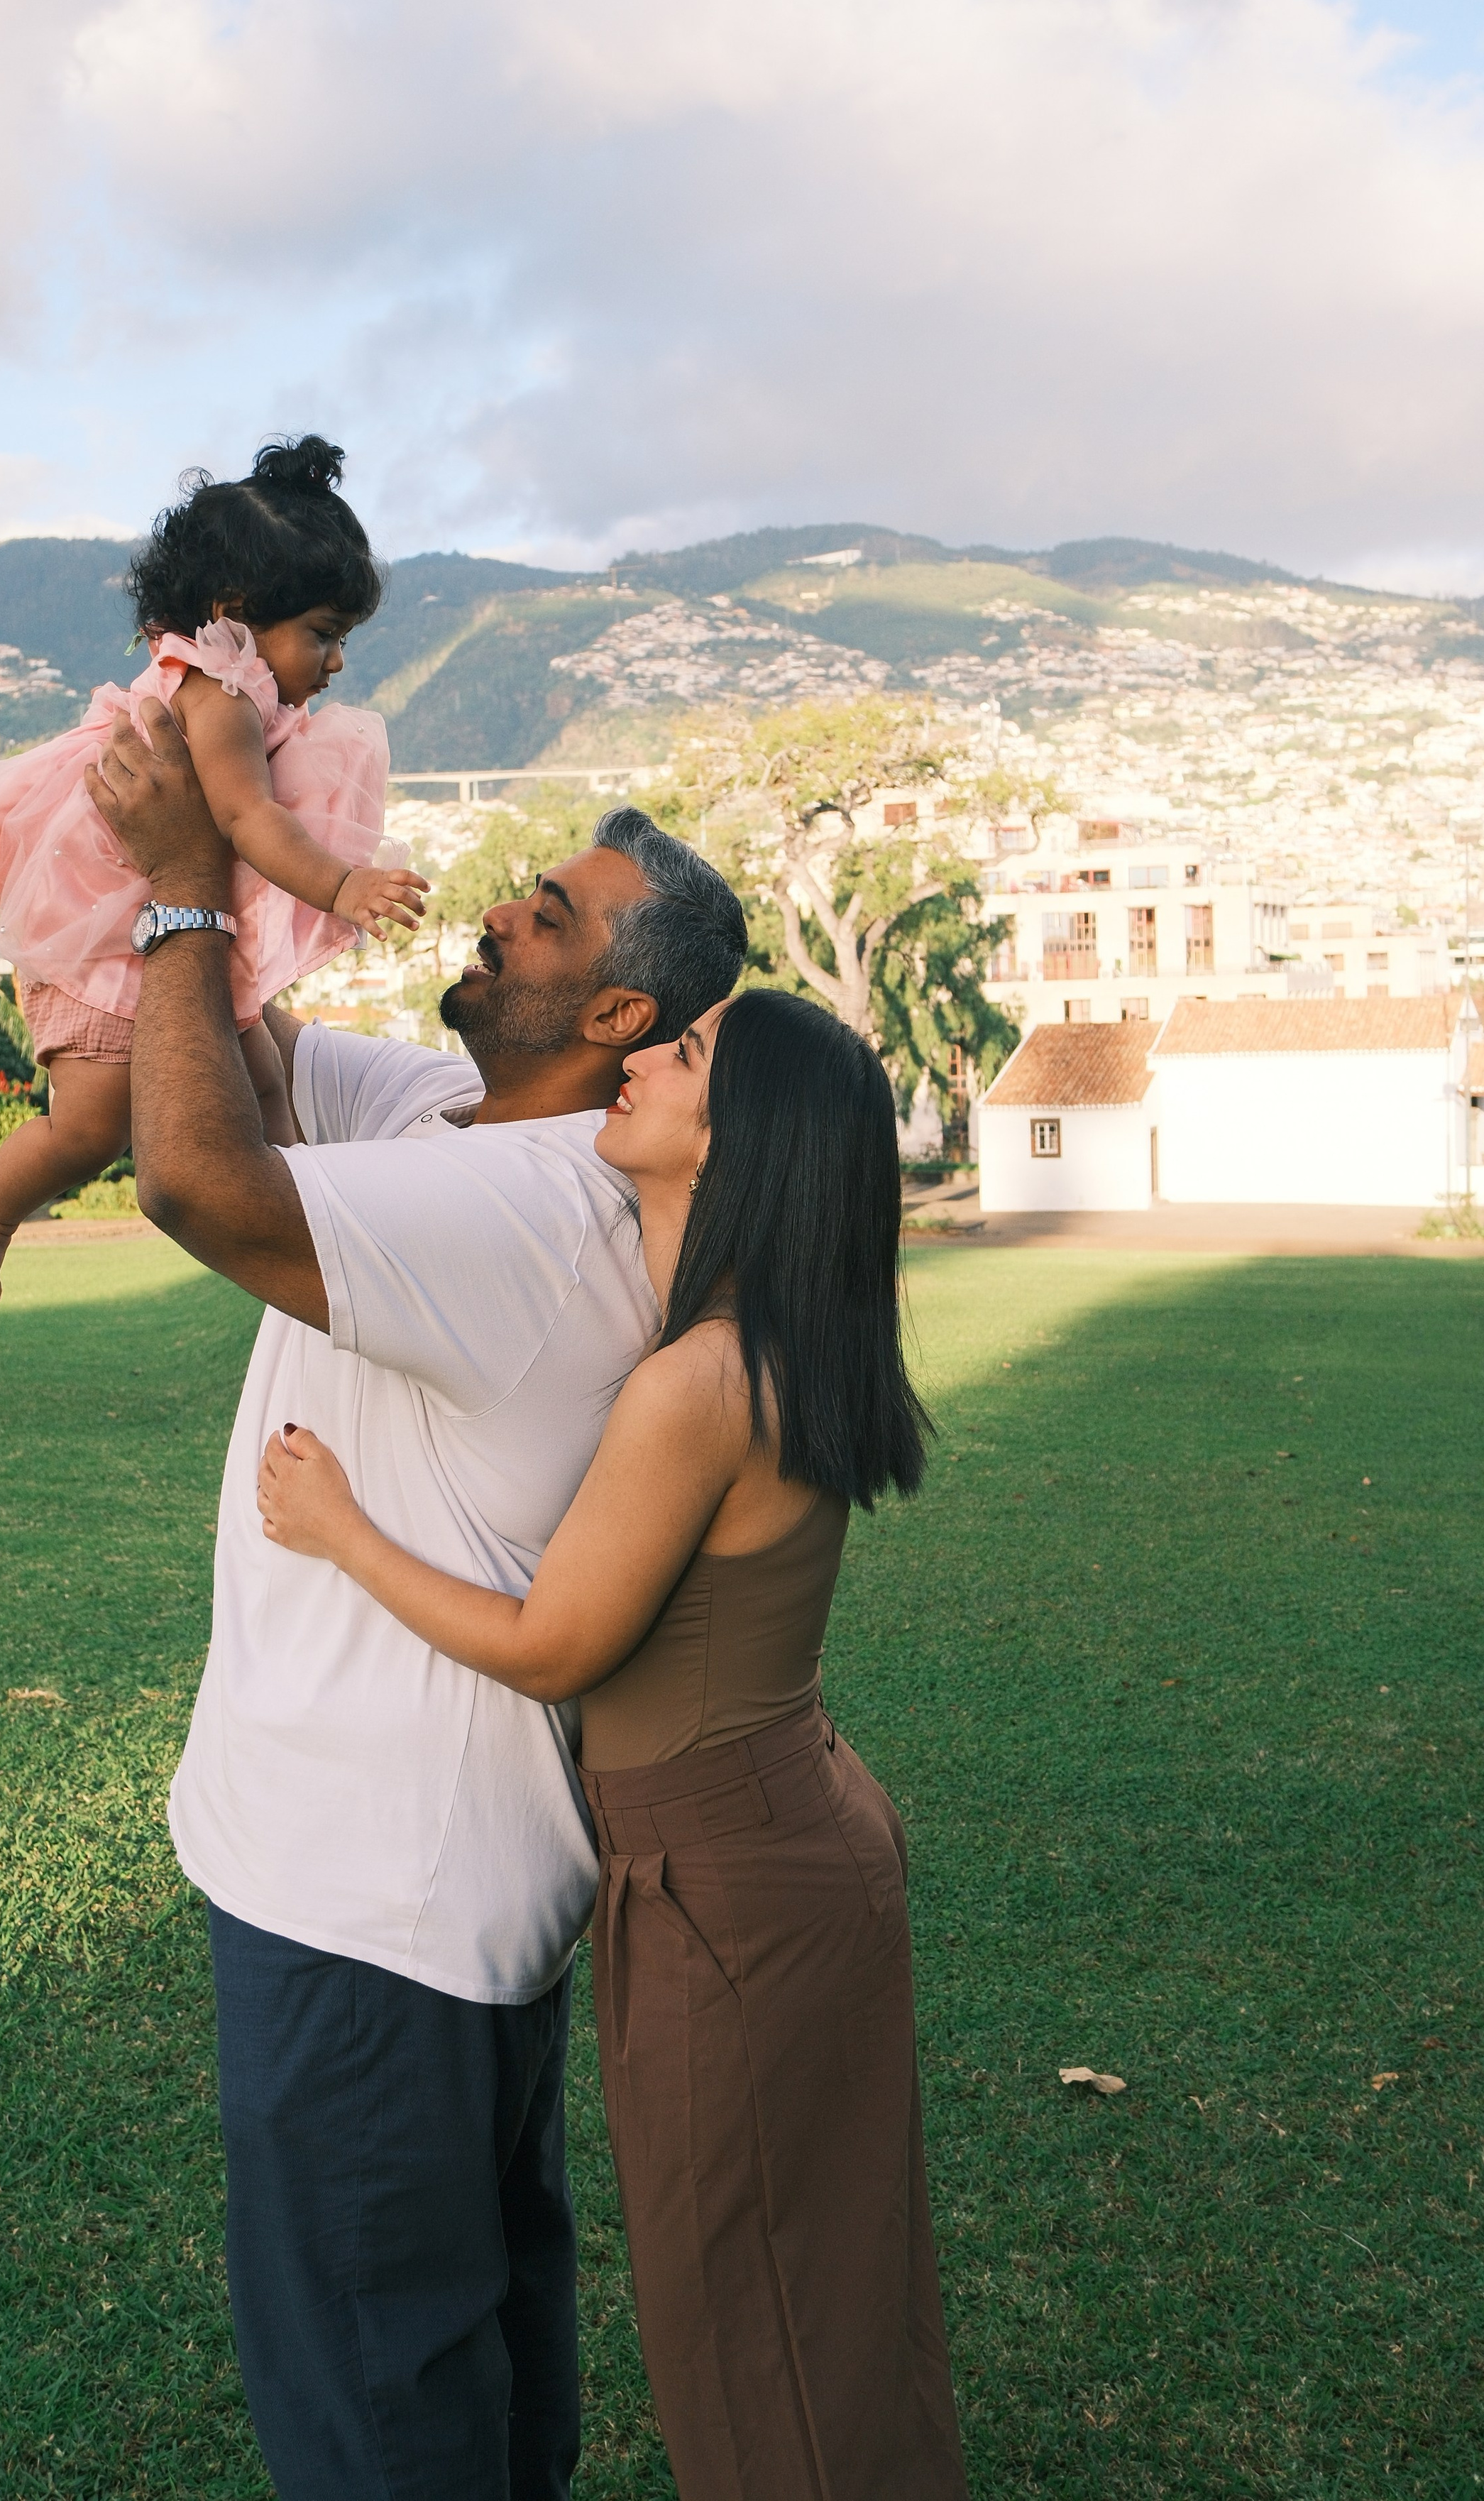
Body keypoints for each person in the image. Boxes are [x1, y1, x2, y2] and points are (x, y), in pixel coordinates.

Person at [82, 693, 748, 2501]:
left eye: (551, 909)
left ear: (616, 1014)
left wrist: (173, 890)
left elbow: (195, 1177)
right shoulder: (453, 1104)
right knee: (468, 2357)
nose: (504, 909)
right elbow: (236, 1046)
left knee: (380, 2397)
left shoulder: (530, 1203)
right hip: (413, 1891)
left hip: (369, 1902)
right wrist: (227, 816)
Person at [256, 987, 972, 2501]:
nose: (635, 1060)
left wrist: (338, 1532)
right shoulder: (754, 1337)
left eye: (683, 1054)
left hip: (728, 1882)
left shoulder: (691, 1384)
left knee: (748, 2321)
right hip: (773, 1839)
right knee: (827, 2291)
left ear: (744, 1140)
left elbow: (552, 1646)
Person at [0, 436, 427, 1303]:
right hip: (102, 947)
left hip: (162, 938)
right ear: (234, 613)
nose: (334, 664)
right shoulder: (217, 699)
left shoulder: (223, 686)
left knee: (262, 1086)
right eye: (323, 636)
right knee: (89, 1126)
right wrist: (343, 885)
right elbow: (250, 819)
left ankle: (304, 1228)